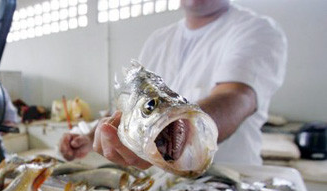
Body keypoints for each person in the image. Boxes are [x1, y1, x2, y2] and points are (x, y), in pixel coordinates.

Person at [59, 0, 287, 168]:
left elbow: (238, 97)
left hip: (230, 180)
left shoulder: (256, 29)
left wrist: (186, 130)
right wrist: (91, 136)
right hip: (157, 186)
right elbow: (130, 107)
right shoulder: (158, 40)